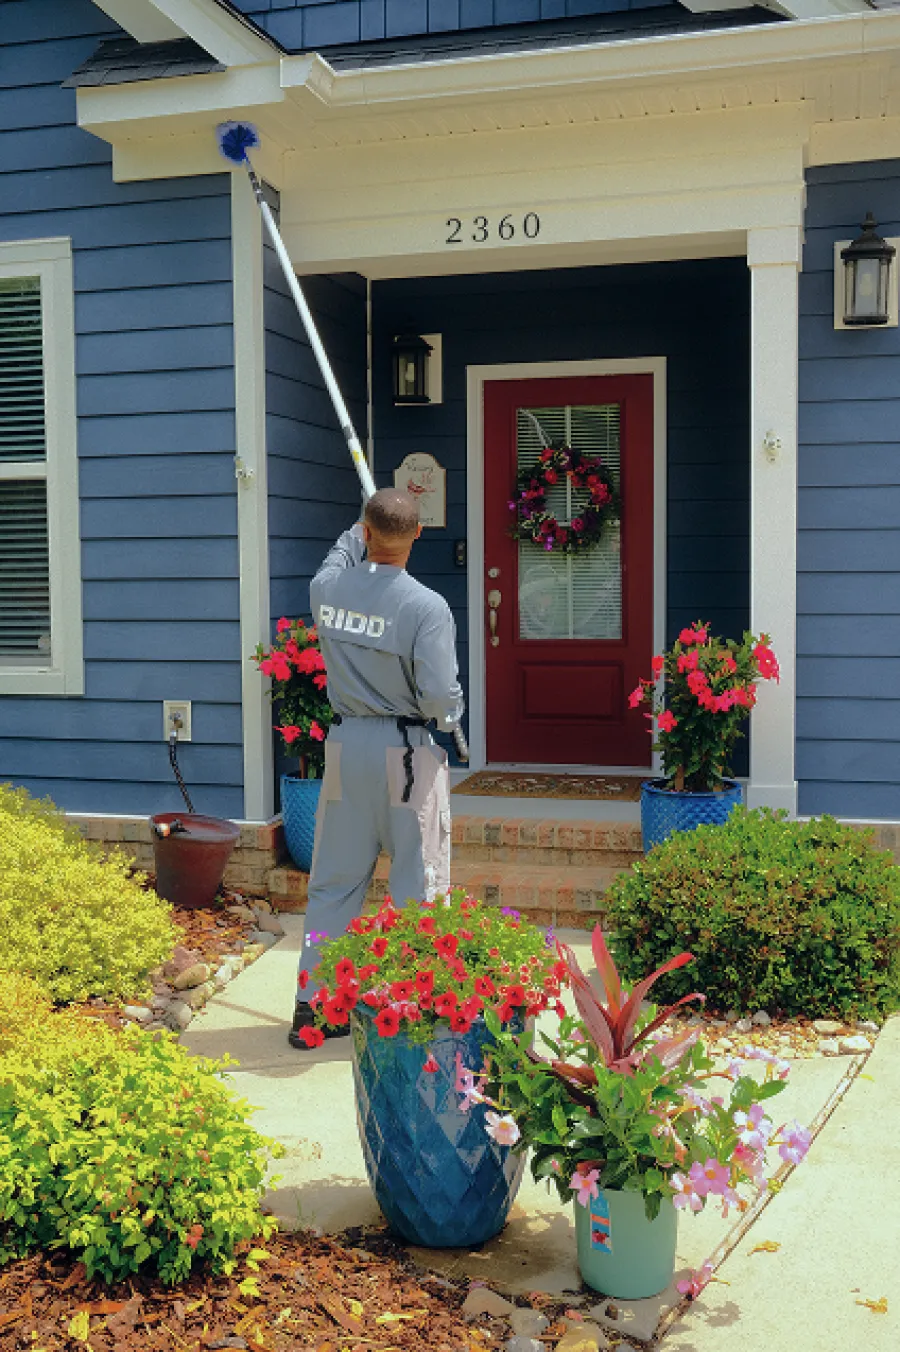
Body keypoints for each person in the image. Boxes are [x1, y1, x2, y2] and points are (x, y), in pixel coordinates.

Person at [289, 487, 464, 1049]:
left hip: (344, 749)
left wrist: (359, 521)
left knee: (335, 883)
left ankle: (314, 1010)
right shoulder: (425, 607)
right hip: (407, 752)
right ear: (417, 534)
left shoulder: (327, 589)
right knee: (418, 882)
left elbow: (338, 557)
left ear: (365, 532)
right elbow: (439, 698)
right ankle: (412, 1015)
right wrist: (453, 715)